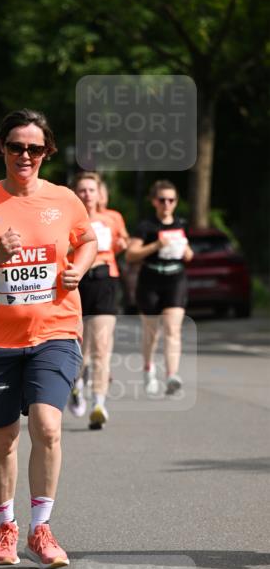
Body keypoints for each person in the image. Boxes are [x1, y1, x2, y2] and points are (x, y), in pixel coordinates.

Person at [0, 108, 97, 569]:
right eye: (16, 147)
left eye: (34, 148)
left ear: (47, 152)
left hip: (55, 330)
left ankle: (41, 528)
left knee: (47, 426)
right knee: (4, 439)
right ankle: (5, 524)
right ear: (2, 149)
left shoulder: (65, 199)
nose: (25, 155)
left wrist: (80, 267)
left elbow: (87, 240)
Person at [69, 172, 128, 429]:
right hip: (78, 281)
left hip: (106, 280)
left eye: (91, 190)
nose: (87, 195)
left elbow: (121, 243)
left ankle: (99, 404)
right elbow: (61, 250)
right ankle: (76, 385)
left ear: (99, 193)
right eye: (82, 190)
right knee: (81, 347)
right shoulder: (69, 220)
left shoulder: (112, 218)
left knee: (102, 346)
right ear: (75, 194)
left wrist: (121, 244)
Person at [125, 180, 194, 396]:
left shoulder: (181, 223)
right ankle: (148, 369)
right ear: (154, 201)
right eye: (162, 199)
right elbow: (130, 254)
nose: (166, 204)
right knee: (152, 333)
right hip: (150, 279)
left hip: (176, 278)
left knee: (173, 329)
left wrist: (187, 253)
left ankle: (172, 375)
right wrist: (155, 245)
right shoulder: (146, 226)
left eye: (171, 200)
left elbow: (189, 253)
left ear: (176, 202)